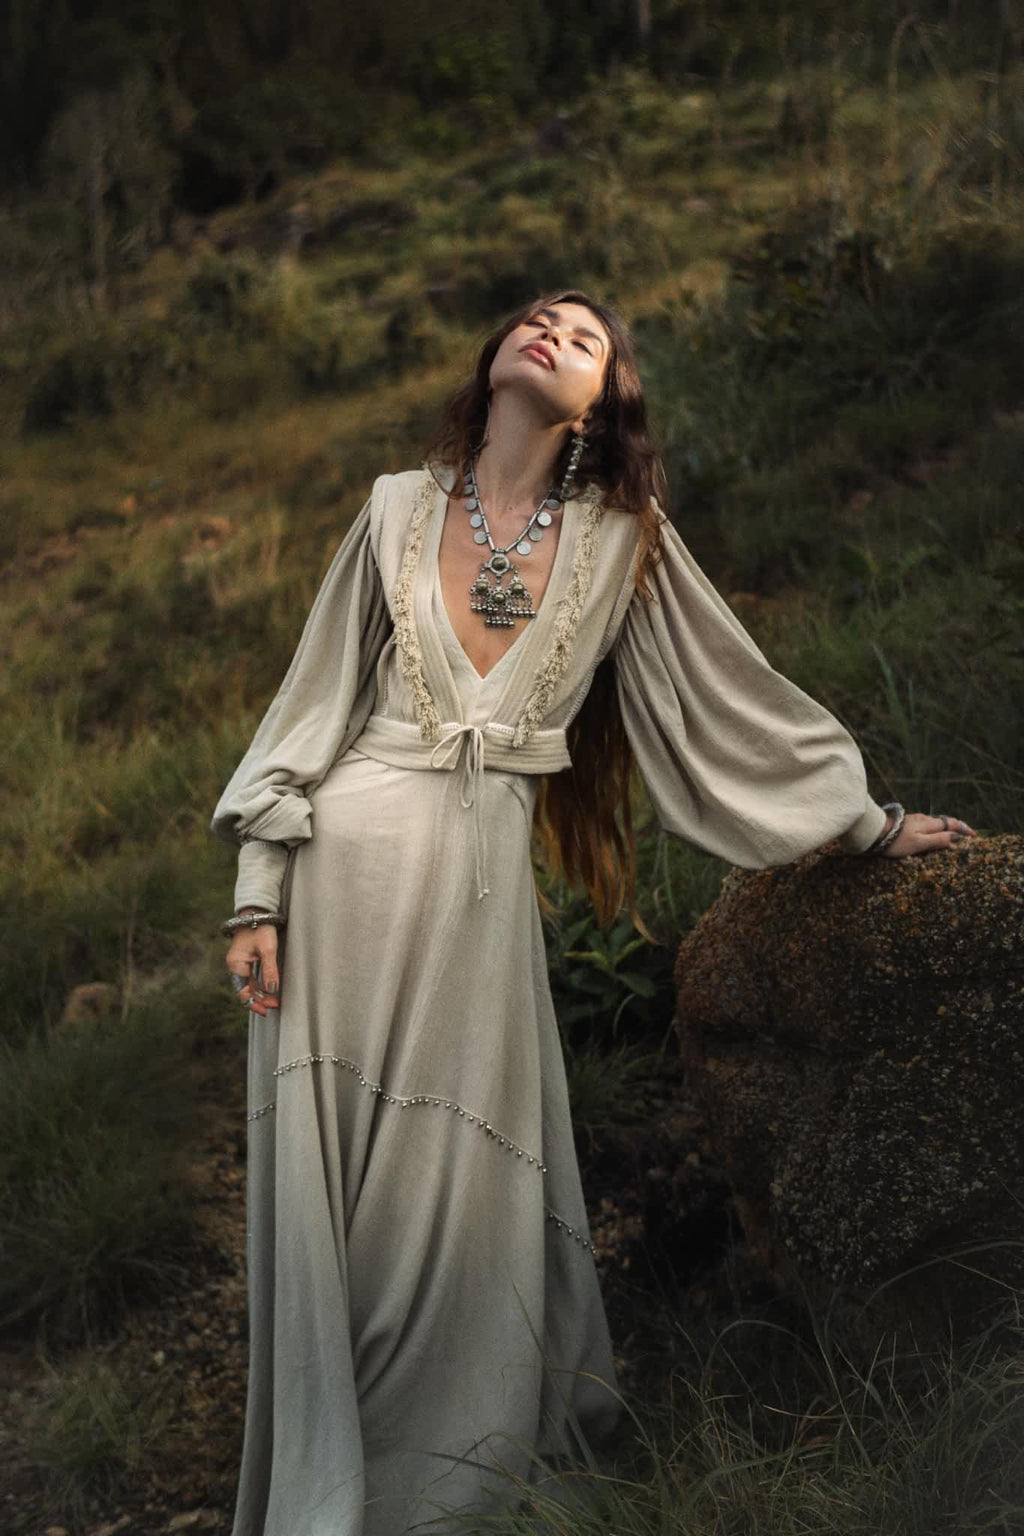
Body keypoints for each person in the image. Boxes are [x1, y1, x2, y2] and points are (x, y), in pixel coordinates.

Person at [210, 289, 977, 1535]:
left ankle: (436, 1492)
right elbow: (307, 707)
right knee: (329, 1202)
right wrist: (257, 890)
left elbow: (728, 697)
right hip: (333, 882)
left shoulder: (625, 538)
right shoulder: (395, 506)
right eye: (533, 318)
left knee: (450, 1186)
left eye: (584, 335)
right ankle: (327, 1489)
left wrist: (863, 823)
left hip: (468, 901)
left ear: (605, 401)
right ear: (492, 359)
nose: (549, 332)